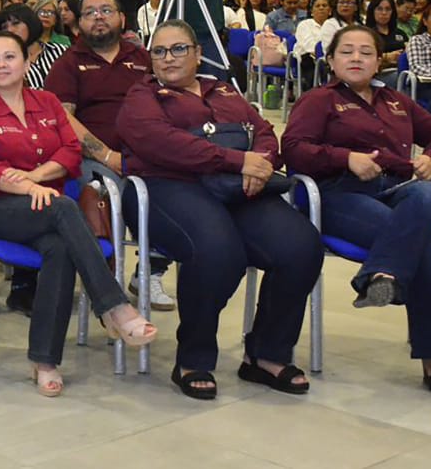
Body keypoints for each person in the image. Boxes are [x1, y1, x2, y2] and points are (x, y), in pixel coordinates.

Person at [119, 20, 323, 401]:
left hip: (238, 186)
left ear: (198, 54)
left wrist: (260, 164)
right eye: (159, 51)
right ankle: (193, 357)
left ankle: (266, 354)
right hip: (167, 186)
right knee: (217, 251)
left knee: (301, 246)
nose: (168, 58)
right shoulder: (142, 96)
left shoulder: (224, 90)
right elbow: (162, 143)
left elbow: (263, 131)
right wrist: (238, 160)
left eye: (178, 49)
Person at [0, 31, 156, 396]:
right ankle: (114, 306)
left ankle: (44, 360)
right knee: (65, 207)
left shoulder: (48, 102)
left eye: (10, 57)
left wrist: (36, 179)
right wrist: (29, 188)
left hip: (47, 207)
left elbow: (70, 152)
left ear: (27, 62)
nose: (1, 64)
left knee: (61, 247)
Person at [282, 25, 431, 397]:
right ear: (331, 61)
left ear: (379, 62)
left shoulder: (396, 100)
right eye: (346, 51)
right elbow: (294, 150)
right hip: (337, 193)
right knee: (423, 243)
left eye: (366, 52)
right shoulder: (318, 100)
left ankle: (381, 274)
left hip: (394, 189)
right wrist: (346, 158)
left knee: (430, 193)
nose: (356, 58)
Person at [44, 0, 175, 311]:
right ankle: (106, 286)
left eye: (106, 10)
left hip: (149, 155)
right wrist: (105, 155)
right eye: (89, 12)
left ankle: (150, 271)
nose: (98, 17)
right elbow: (63, 119)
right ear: (79, 23)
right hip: (95, 158)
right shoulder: (68, 63)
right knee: (104, 192)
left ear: (121, 18)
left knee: (178, 194)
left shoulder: (143, 59)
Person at [0, 5, 66, 91]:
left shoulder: (61, 51)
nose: (10, 30)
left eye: (16, 23)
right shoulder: (3, 64)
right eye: (4, 27)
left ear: (31, 23)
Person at [366, 0, 409, 85]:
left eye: (388, 9)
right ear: (372, 11)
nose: (384, 13)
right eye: (379, 9)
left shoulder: (400, 33)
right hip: (378, 73)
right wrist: (386, 57)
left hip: (402, 70)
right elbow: (365, 58)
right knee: (401, 78)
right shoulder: (366, 34)